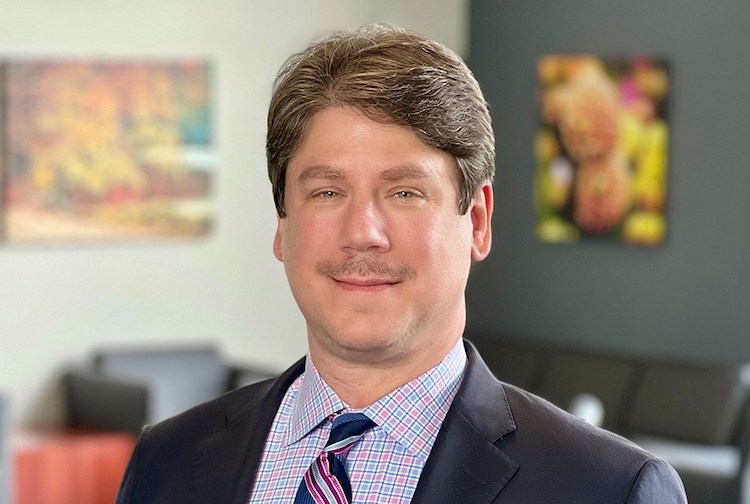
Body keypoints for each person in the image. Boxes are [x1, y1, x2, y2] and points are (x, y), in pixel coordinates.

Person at [116, 25, 687, 503]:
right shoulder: (166, 464)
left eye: (405, 193)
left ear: (479, 223)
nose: (363, 233)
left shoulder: (607, 490)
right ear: (282, 224)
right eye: (327, 193)